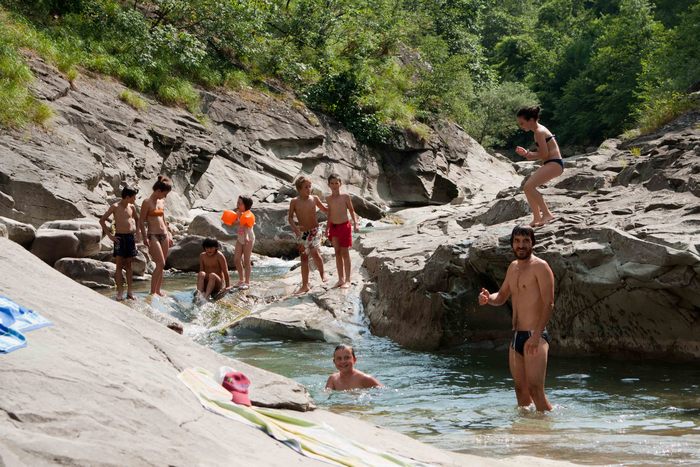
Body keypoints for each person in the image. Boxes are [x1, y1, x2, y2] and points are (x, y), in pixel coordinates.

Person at [478, 225, 554, 412]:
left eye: (526, 241)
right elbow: (502, 296)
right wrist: (488, 299)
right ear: (512, 244)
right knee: (520, 391)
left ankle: (549, 428)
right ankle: (526, 429)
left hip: (534, 336)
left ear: (532, 243)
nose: (521, 245)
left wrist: (536, 335)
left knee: (536, 390)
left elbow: (549, 304)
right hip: (516, 337)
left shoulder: (541, 267)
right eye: (517, 241)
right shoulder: (513, 268)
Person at [515, 106, 564, 227]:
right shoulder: (538, 132)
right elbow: (542, 154)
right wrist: (527, 154)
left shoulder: (539, 132)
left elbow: (544, 154)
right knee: (527, 188)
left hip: (555, 163)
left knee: (529, 186)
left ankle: (547, 214)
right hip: (552, 163)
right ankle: (537, 218)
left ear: (531, 120)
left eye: (522, 123)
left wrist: (528, 154)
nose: (521, 126)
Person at [288, 176, 328, 295]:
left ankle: (323, 274)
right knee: (304, 258)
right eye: (306, 187)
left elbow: (325, 209)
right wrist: (295, 229)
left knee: (314, 252)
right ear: (299, 189)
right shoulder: (294, 201)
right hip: (303, 233)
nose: (309, 189)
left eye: (310, 186)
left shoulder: (314, 198)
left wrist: (334, 206)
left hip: (315, 230)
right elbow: (290, 217)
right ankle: (305, 285)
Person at [99, 186, 140, 301]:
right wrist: (110, 236)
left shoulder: (132, 207)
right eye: (133, 197)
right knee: (119, 265)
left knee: (129, 266)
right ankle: (120, 292)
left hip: (130, 238)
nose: (135, 199)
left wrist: (137, 232)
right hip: (119, 238)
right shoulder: (115, 206)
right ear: (127, 197)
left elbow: (137, 220)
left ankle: (130, 292)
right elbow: (102, 220)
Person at [138, 175, 173, 296]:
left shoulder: (161, 201)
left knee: (162, 265)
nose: (165, 196)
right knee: (160, 263)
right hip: (153, 235)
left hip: (164, 235)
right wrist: (144, 237)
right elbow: (141, 221)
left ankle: (158, 290)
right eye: (165, 193)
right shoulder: (146, 202)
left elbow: (163, 219)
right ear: (158, 190)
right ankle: (152, 292)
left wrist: (169, 234)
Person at [325, 174, 358, 289]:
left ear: (340, 184)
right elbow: (330, 214)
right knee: (337, 252)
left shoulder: (345, 197)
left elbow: (352, 211)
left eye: (336, 183)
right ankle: (340, 279)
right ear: (329, 185)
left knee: (345, 252)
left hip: (344, 226)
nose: (334, 185)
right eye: (332, 183)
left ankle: (348, 280)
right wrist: (327, 229)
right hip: (334, 227)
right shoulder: (328, 199)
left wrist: (355, 223)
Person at [232, 195, 255, 290]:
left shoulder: (248, 215)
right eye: (237, 202)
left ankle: (247, 282)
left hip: (248, 238)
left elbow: (247, 227)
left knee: (246, 260)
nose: (237, 204)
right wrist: (232, 220)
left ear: (246, 205)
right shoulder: (238, 213)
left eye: (240, 203)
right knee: (236, 259)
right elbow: (234, 223)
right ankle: (241, 279)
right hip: (240, 238)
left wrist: (246, 238)